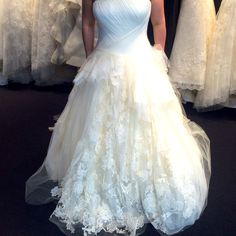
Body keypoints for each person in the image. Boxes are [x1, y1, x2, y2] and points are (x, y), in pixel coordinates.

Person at [26, 0, 211, 235]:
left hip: (142, 67)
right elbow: (87, 23)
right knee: (96, 131)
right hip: (103, 65)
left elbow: (159, 22)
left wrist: (158, 54)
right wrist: (91, 59)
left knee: (148, 133)